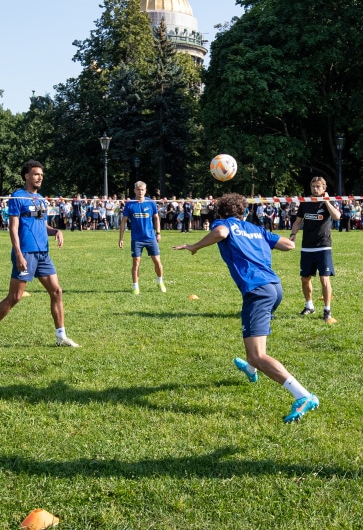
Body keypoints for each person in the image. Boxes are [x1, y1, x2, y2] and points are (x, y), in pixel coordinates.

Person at [175, 193, 319, 424]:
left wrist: (195, 246)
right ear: (243, 211)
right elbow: (289, 245)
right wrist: (268, 239)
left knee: (257, 354)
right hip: (274, 288)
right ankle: (251, 370)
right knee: (253, 342)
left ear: (222, 212)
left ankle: (303, 395)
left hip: (257, 291)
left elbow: (222, 233)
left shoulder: (224, 224)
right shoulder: (256, 229)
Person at [0, 160, 80, 350]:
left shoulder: (41, 199)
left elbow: (43, 225)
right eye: (36, 174)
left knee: (57, 291)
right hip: (26, 252)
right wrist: (18, 254)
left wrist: (56, 231)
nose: (40, 177)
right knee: (15, 296)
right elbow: (13, 227)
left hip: (43, 253)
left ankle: (61, 336)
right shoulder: (17, 197)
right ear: (26, 176)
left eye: (41, 174)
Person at [291, 177, 342, 323]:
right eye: (313, 186)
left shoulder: (329, 201)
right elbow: (298, 222)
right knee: (305, 278)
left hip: (323, 245)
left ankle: (327, 310)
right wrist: (293, 234)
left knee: (324, 278)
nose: (315, 189)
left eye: (318, 186)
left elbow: (337, 217)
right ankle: (309, 306)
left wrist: (326, 201)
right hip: (307, 246)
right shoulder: (305, 202)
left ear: (324, 188)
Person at [118, 181, 166, 294]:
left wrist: (158, 233)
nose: (140, 192)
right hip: (136, 239)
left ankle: (160, 281)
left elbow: (156, 218)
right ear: (135, 190)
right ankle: (135, 287)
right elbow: (123, 222)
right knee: (136, 262)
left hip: (150, 238)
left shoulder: (151, 203)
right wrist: (121, 239)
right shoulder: (130, 204)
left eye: (142, 190)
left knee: (157, 261)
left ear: (145, 190)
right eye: (138, 190)